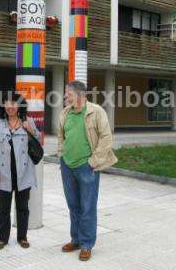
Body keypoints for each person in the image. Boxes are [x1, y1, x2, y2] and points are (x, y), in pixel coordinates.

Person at [57, 80, 118, 261]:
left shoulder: (96, 111)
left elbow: (106, 138)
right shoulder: (64, 113)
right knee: (73, 206)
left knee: (87, 207)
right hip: (67, 166)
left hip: (87, 167)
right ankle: (75, 239)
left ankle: (86, 244)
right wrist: (62, 156)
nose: (65, 96)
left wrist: (94, 162)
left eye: (68, 93)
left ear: (79, 94)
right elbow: (61, 136)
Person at [0, 93, 40, 250]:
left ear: (20, 106)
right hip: (3, 174)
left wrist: (31, 131)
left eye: (13, 103)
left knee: (23, 208)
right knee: (3, 208)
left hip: (24, 173)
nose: (10, 106)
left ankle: (22, 237)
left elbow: (39, 142)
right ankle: (2, 238)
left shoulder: (28, 122)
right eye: (7, 103)